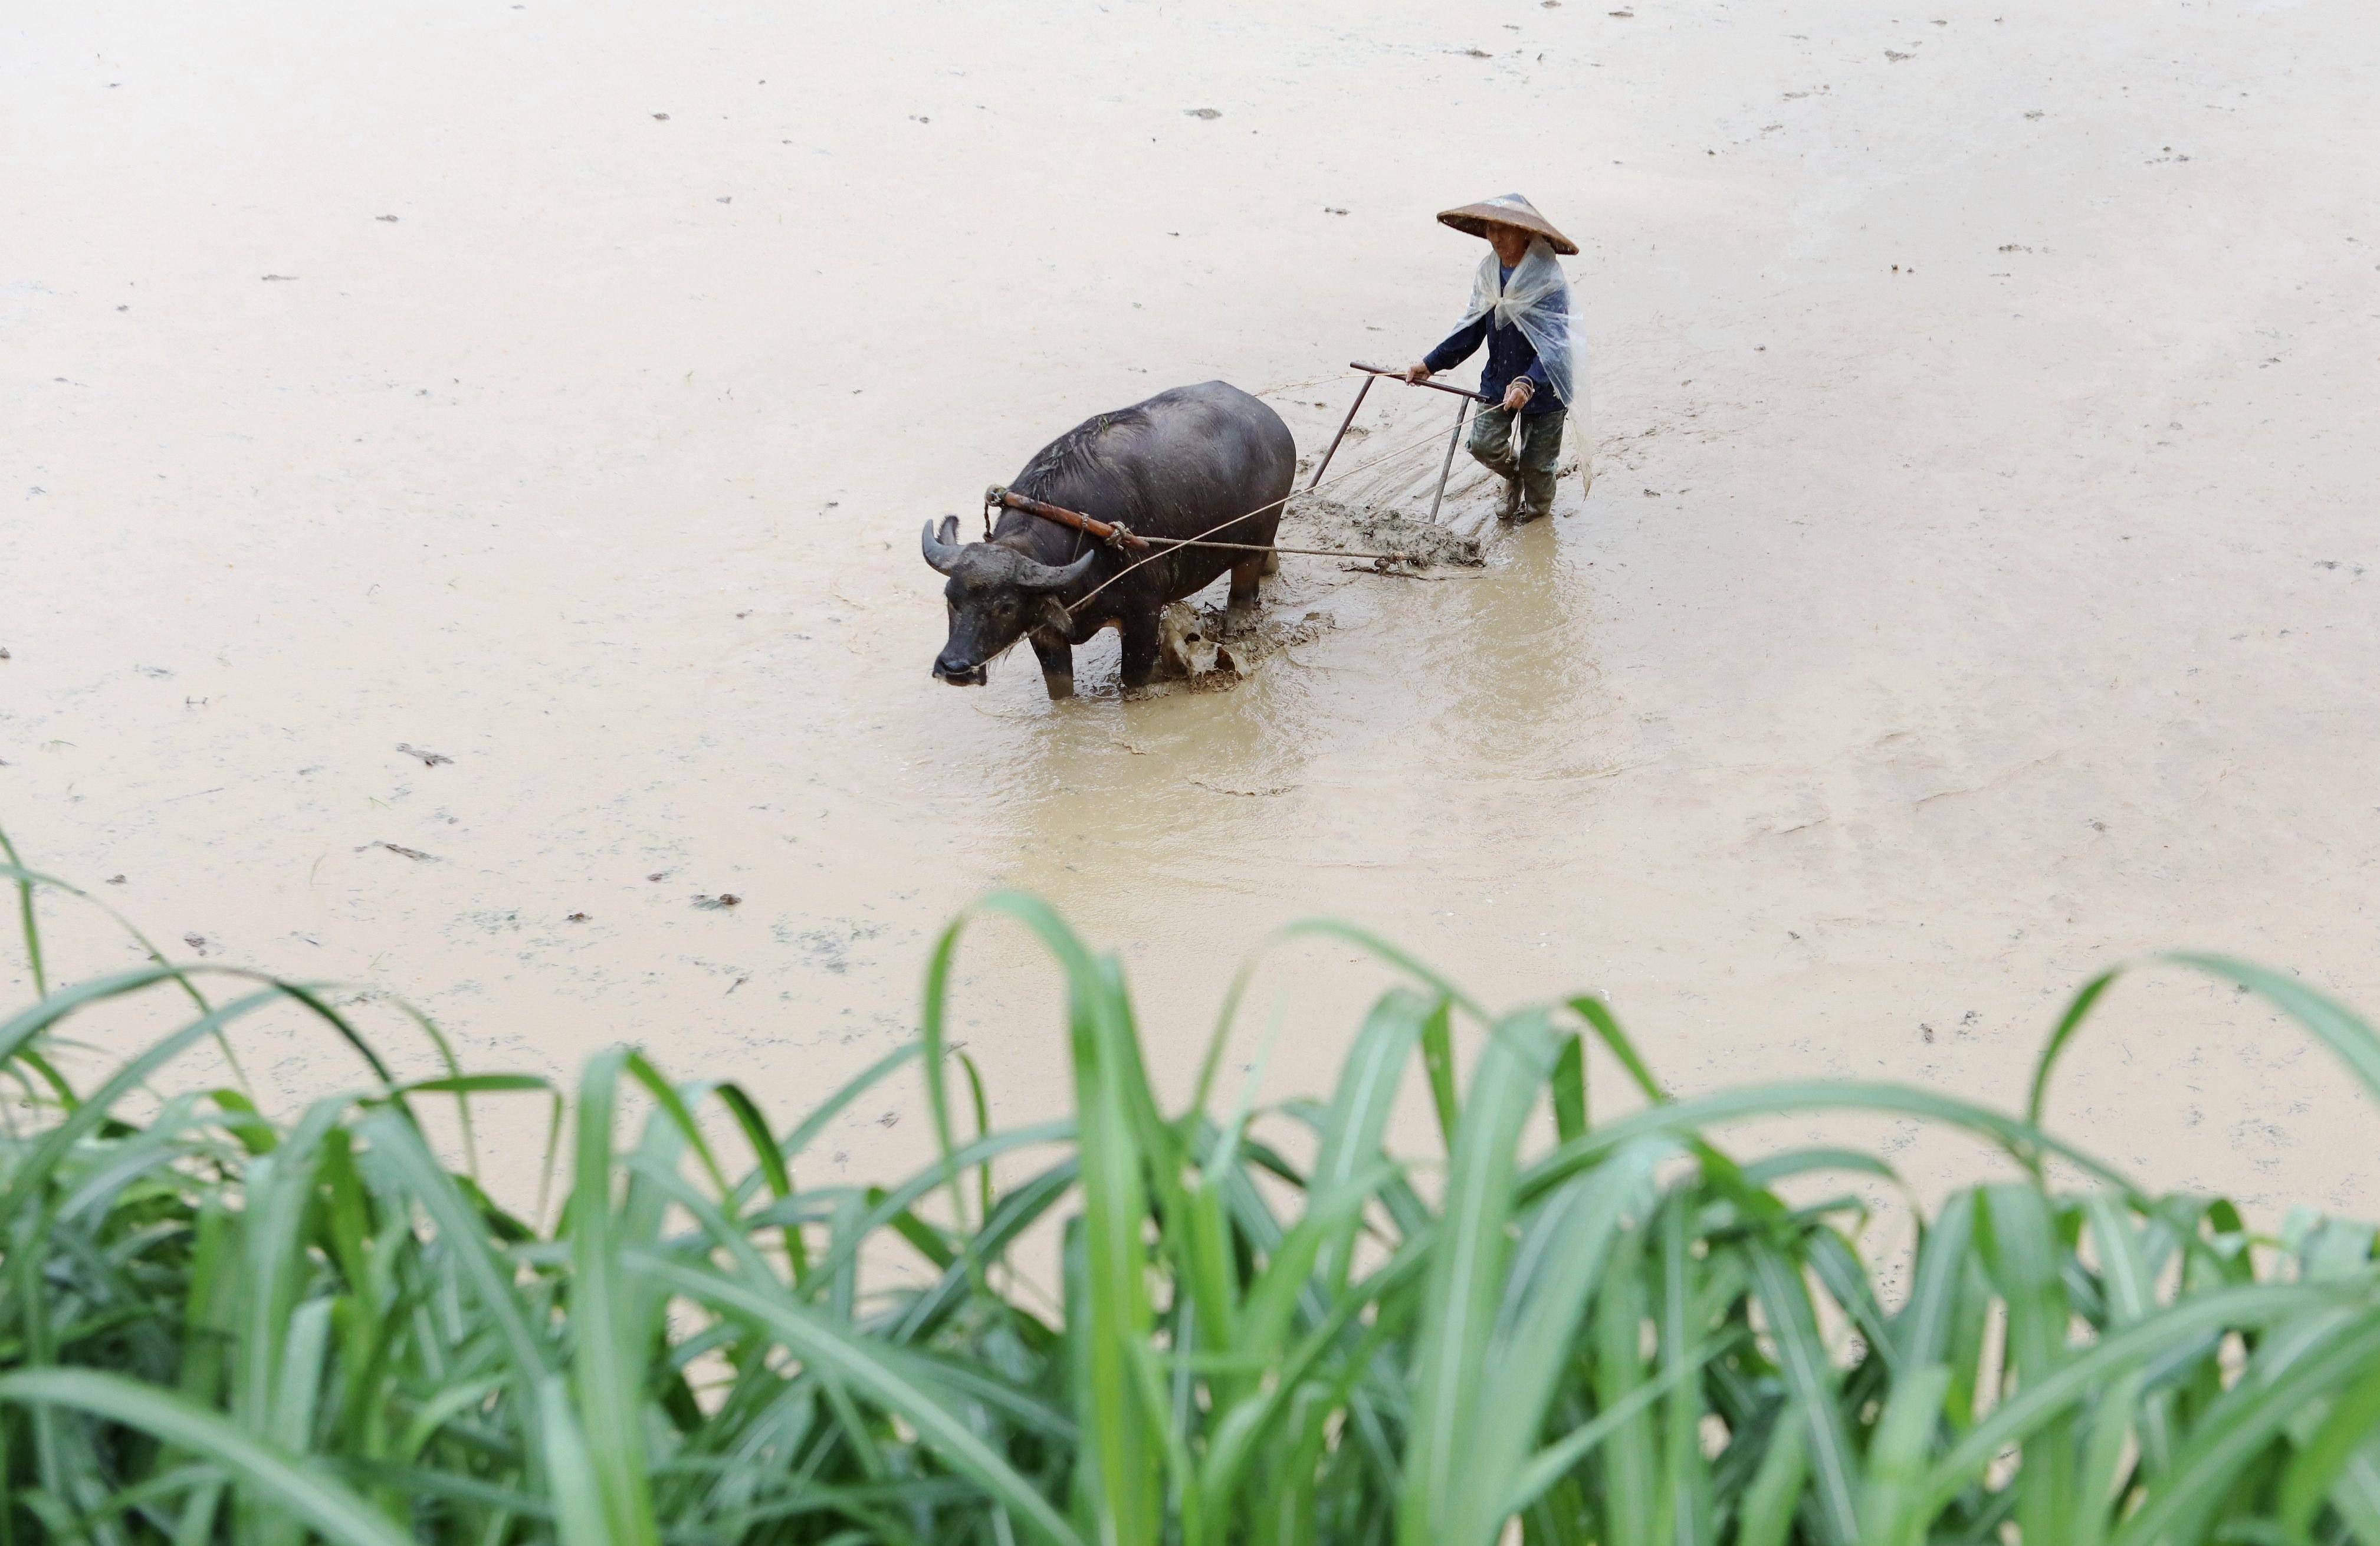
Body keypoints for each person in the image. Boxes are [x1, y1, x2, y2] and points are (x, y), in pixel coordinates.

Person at [1402, 193, 1585, 522]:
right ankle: (1514, 477)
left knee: (1540, 474)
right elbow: (1471, 330)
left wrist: (1528, 383)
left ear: (1527, 234)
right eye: (1491, 229)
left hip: (1546, 384)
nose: (1496, 238)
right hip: (1500, 377)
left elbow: (1556, 345)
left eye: (1505, 231)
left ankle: (1537, 526)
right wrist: (1430, 364)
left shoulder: (1549, 282)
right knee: (1483, 444)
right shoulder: (1489, 274)